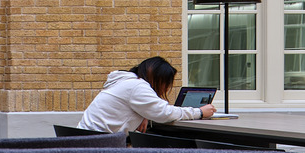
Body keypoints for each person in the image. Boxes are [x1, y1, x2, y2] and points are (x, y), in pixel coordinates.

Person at [79, 56, 220, 134]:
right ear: (159, 79)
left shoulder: (125, 82)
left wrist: (144, 114)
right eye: (166, 83)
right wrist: (200, 112)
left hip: (86, 139)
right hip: (100, 145)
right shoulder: (137, 86)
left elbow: (151, 109)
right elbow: (165, 113)